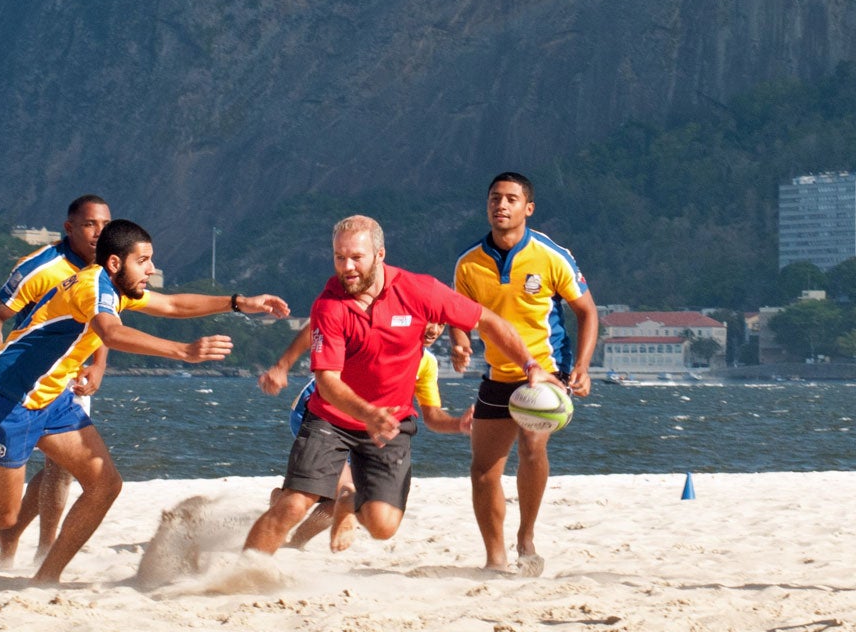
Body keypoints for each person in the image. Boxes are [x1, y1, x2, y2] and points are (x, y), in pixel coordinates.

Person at [0, 219, 286, 583]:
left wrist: (238, 302)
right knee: (2, 512)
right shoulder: (92, 287)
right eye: (144, 261)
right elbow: (111, 334)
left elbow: (172, 305)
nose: (151, 269)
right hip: (7, 398)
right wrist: (183, 351)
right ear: (116, 262)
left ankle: (46, 579)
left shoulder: (115, 287)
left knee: (104, 486)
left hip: (51, 399)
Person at [243, 214, 547, 558]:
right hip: (331, 419)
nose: (348, 267)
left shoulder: (419, 291)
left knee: (382, 525)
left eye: (356, 257)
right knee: (294, 506)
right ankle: (239, 573)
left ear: (379, 254)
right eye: (339, 258)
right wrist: (367, 412)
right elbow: (327, 382)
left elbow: (489, 322)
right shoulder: (329, 305)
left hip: (391, 425)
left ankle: (346, 500)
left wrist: (530, 365)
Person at [450, 172, 598, 574]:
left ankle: (526, 535)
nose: (502, 205)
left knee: (533, 447)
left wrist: (582, 368)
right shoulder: (469, 263)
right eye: (495, 198)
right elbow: (458, 315)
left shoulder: (551, 255)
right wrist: (460, 341)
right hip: (498, 373)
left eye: (511, 199)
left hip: (546, 371)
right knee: (483, 471)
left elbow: (587, 311)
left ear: (527, 208)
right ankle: (495, 559)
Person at [0, 193, 115, 563]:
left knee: (64, 467)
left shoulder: (110, 269)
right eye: (90, 224)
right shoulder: (41, 267)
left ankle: (43, 547)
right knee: (22, 475)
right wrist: (5, 365)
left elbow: (106, 322)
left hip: (71, 380)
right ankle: (9, 535)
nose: (99, 233)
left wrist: (98, 365)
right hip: (25, 382)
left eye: (105, 225)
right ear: (69, 228)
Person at [262, 321, 470, 551]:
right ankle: (288, 507)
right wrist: (283, 365)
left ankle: (295, 541)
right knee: (346, 489)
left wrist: (458, 424)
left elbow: (431, 413)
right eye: (430, 322)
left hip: (364, 424)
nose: (434, 330)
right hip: (315, 410)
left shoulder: (427, 361)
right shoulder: (379, 333)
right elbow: (322, 325)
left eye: (441, 324)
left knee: (345, 495)